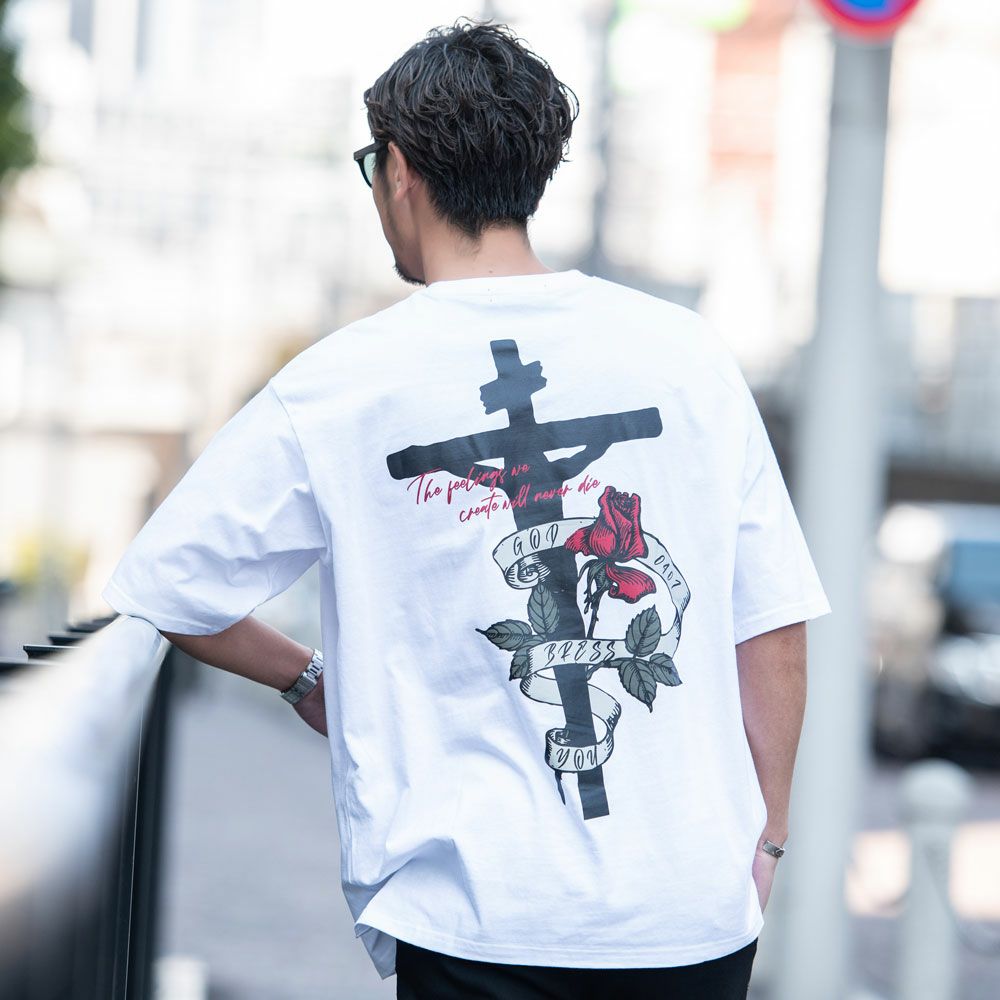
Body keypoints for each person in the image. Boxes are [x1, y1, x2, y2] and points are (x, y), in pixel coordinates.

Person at [101, 17, 831, 1000]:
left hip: (480, 918)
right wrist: (767, 835)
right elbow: (770, 621)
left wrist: (306, 678)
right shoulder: (687, 356)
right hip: (688, 919)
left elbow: (166, 582)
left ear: (399, 171)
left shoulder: (345, 384)